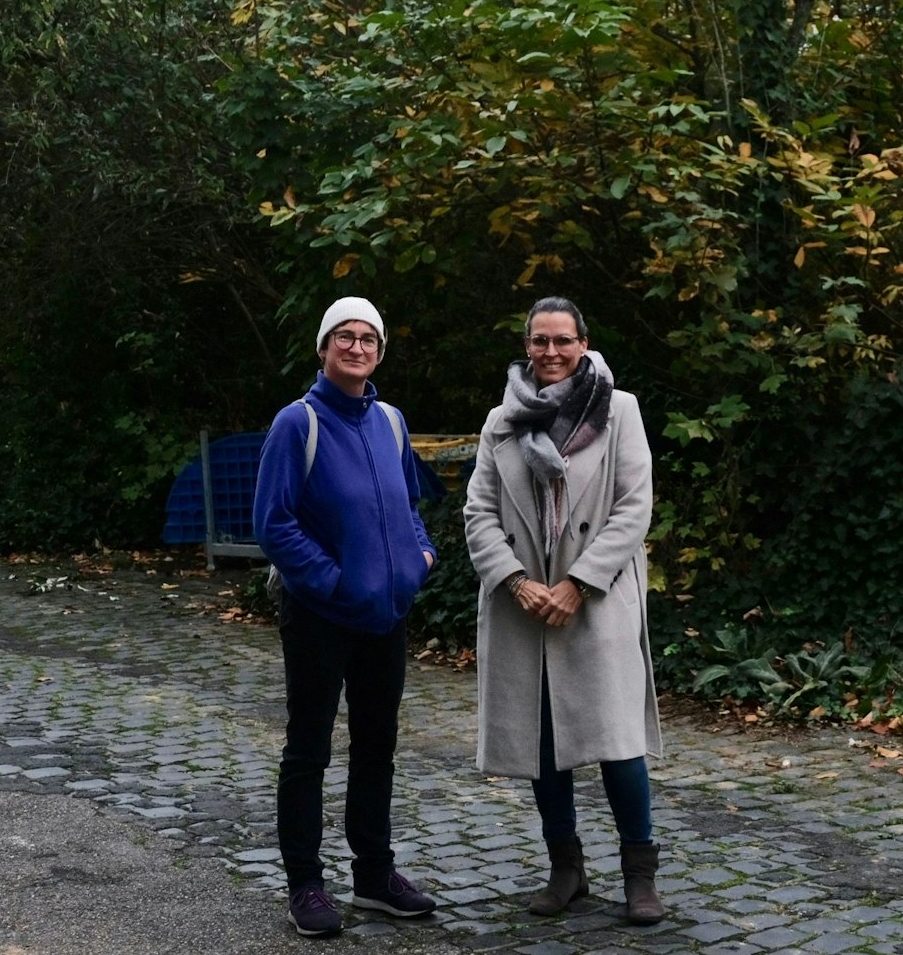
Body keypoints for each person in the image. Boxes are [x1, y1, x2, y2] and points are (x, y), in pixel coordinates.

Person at [464, 296, 666, 924]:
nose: (551, 353)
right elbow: (479, 514)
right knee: (540, 742)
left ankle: (640, 875)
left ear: (584, 343)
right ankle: (566, 869)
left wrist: (578, 582)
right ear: (526, 345)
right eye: (540, 341)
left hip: (595, 601)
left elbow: (634, 507)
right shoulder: (501, 421)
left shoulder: (619, 408)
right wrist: (517, 582)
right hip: (525, 606)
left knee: (618, 742)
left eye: (563, 341)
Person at [254, 296, 438, 937]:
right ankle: (305, 884)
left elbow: (411, 501)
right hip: (319, 616)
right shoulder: (296, 424)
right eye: (344, 337)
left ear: (379, 351)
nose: (356, 347)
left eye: (367, 339)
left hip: (385, 613)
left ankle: (375, 874)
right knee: (308, 751)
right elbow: (273, 523)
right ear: (324, 348)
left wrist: (421, 556)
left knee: (377, 746)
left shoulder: (389, 420)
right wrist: (332, 582)